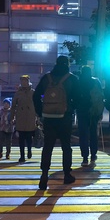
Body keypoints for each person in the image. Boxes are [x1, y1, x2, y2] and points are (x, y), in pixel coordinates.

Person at [33, 55, 79, 190]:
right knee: (66, 147)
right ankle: (67, 175)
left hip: (48, 117)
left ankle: (44, 175)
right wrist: (70, 109)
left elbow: (36, 96)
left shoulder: (47, 78)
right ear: (68, 64)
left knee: (48, 147)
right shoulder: (72, 79)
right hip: (64, 117)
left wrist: (41, 111)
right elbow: (78, 98)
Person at [76, 65, 104, 167]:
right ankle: (93, 155)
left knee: (83, 135)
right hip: (94, 111)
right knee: (93, 134)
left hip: (82, 111)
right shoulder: (96, 81)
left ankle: (84, 157)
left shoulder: (78, 82)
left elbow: (74, 96)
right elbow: (101, 96)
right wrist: (100, 112)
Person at [11, 75, 37, 164]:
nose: (24, 82)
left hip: (30, 118)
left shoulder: (33, 92)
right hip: (20, 118)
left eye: (25, 81)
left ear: (29, 81)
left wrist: (39, 118)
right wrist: (12, 117)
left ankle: (29, 150)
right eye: (22, 81)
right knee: (21, 139)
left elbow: (38, 105)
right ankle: (22, 156)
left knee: (29, 138)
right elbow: (13, 106)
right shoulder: (18, 93)